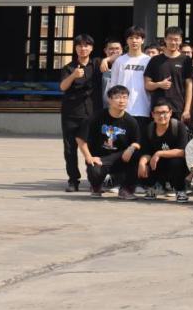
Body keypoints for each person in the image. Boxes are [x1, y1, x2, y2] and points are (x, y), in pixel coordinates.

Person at [76, 85, 141, 198]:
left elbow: (137, 142)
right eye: (117, 97)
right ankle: (96, 186)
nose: (121, 101)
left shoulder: (131, 121)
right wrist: (88, 157)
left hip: (121, 159)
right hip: (99, 159)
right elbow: (80, 138)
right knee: (94, 169)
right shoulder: (96, 117)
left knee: (137, 155)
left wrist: (131, 148)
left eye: (125, 97)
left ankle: (126, 189)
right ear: (109, 99)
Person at [59, 34, 103, 191]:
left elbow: (114, 58)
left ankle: (93, 180)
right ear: (75, 48)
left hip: (92, 113)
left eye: (86, 45)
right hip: (71, 113)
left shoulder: (97, 64)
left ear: (91, 48)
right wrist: (73, 76)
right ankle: (73, 180)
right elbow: (63, 87)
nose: (83, 48)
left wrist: (106, 60)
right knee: (70, 149)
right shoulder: (69, 67)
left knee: (93, 147)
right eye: (80, 45)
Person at [136, 98, 189, 202]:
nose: (161, 116)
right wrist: (142, 162)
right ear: (152, 114)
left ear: (170, 113)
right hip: (157, 164)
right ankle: (152, 187)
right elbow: (146, 152)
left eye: (164, 112)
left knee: (177, 162)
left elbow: (183, 152)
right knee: (141, 162)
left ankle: (180, 190)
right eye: (158, 113)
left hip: (174, 164)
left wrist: (159, 153)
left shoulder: (179, 126)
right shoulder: (149, 128)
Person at [144, 26, 193, 121]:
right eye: (170, 39)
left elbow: (189, 86)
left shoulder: (186, 60)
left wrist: (187, 110)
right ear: (165, 39)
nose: (173, 42)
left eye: (176, 39)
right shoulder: (155, 60)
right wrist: (159, 84)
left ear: (181, 40)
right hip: (158, 109)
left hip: (179, 108)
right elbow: (147, 85)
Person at [110, 26, 152, 136]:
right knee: (121, 141)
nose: (134, 41)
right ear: (126, 40)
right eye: (131, 38)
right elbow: (113, 86)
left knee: (139, 142)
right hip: (122, 109)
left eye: (137, 38)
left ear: (143, 40)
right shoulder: (119, 61)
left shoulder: (148, 61)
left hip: (143, 109)